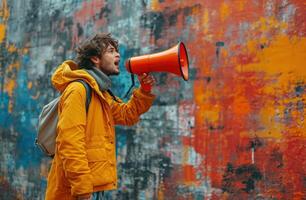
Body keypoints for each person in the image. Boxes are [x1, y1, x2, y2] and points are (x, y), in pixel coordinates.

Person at [45, 33, 156, 200]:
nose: (117, 55)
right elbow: (70, 142)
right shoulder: (78, 89)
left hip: (93, 186)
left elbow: (127, 115)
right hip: (77, 190)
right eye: (111, 51)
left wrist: (145, 89)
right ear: (95, 59)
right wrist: (82, 190)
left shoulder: (101, 93)